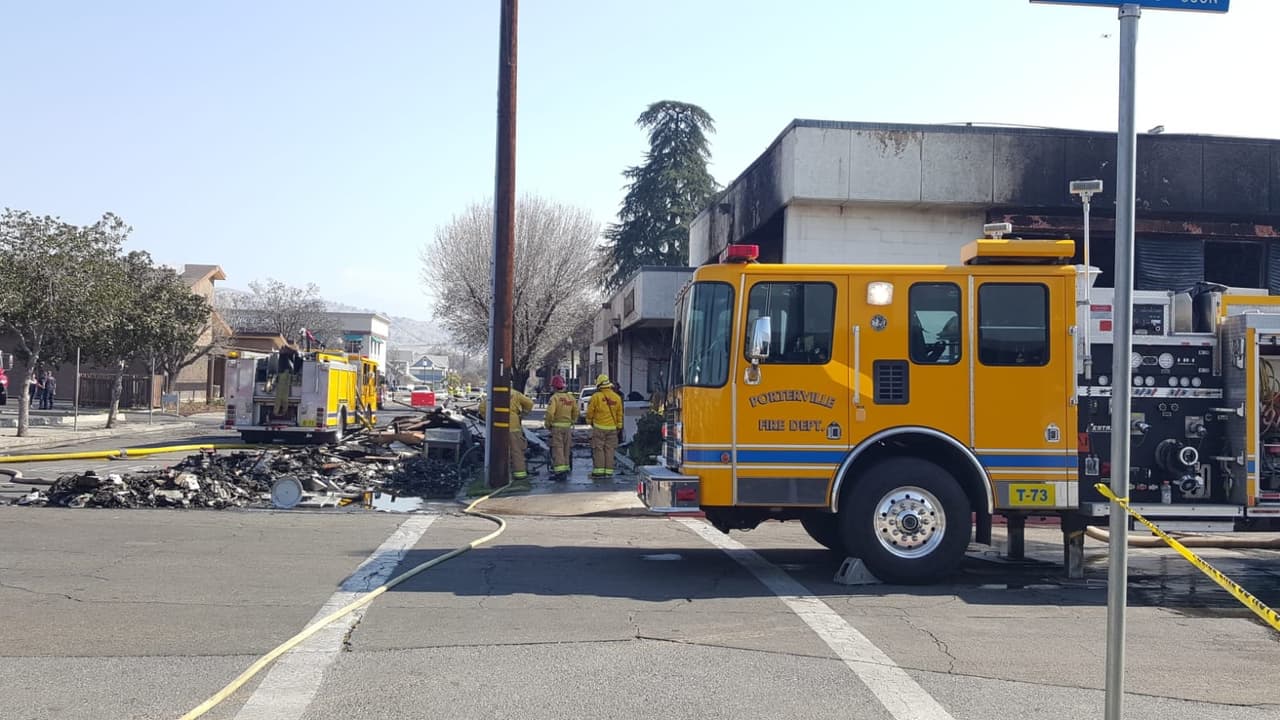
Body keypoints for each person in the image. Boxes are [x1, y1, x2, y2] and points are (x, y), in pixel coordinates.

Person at [479, 387, 535, 483]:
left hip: (498, 426)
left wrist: (488, 419)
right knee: (516, 450)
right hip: (514, 425)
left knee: (500, 451)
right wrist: (523, 414)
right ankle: (520, 474)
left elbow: (482, 407)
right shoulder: (516, 393)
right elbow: (529, 403)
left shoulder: (494, 393)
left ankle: (502, 474)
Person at [586, 373, 623, 479]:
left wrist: (589, 422)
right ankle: (608, 472)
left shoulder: (596, 397)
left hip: (599, 427)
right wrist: (619, 426)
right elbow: (620, 413)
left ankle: (599, 471)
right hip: (612, 428)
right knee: (610, 450)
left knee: (599, 449)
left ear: (599, 385)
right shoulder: (617, 397)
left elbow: (590, 412)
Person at [543, 376, 576, 481]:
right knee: (566, 449)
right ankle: (565, 469)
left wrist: (548, 424)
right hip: (567, 427)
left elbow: (550, 413)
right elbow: (576, 412)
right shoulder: (571, 398)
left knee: (558, 449)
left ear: (554, 387)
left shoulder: (554, 398)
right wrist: (572, 421)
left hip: (557, 427)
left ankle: (560, 472)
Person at [274, 341, 303, 416]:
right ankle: (280, 411)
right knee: (282, 394)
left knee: (281, 394)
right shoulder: (288, 356)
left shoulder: (287, 356)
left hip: (285, 374)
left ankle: (278, 411)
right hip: (285, 374)